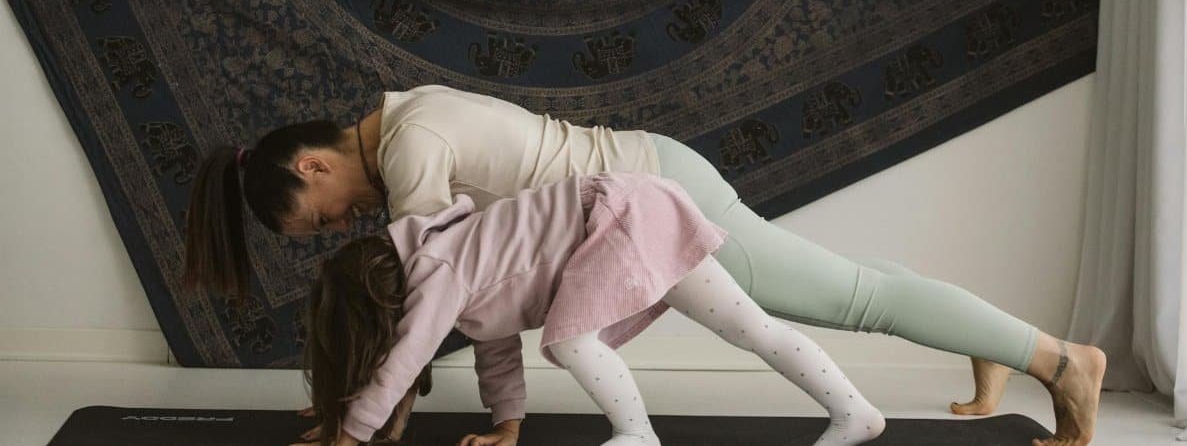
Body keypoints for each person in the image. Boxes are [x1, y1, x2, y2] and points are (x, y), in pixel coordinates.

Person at [185, 84, 1106, 446]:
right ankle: (997, 344)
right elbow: (469, 306)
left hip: (640, 198)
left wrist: (351, 412)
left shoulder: (409, 150)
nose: (335, 226)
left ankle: (1062, 361)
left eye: (315, 216)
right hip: (637, 187)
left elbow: (433, 309)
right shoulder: (407, 123)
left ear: (311, 165)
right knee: (844, 286)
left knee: (846, 298)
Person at [295, 171, 887, 446]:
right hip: (639, 204)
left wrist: (351, 437)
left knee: (571, 338)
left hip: (616, 216)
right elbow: (495, 347)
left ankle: (636, 434)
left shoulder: (438, 268)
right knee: (752, 328)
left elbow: (407, 357)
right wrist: (508, 426)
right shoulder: (462, 273)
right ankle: (855, 413)